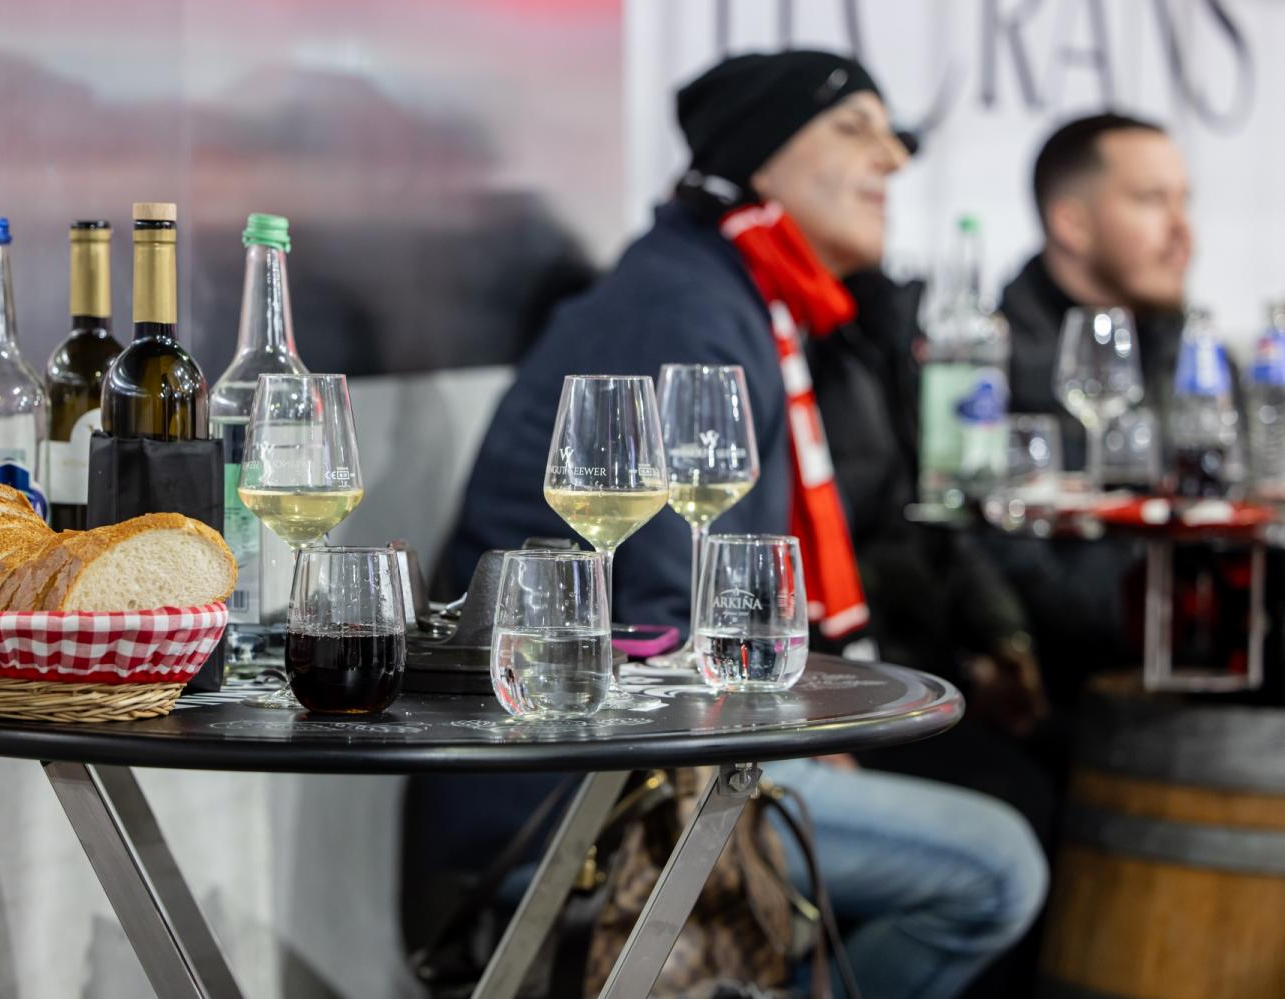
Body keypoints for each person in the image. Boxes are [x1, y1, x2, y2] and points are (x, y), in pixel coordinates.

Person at [435, 50, 1047, 999]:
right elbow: (650, 626)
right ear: (759, 157)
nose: (892, 158)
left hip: (625, 753)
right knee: (997, 865)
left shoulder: (730, 292)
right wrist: (801, 737)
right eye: (853, 129)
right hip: (572, 788)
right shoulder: (683, 310)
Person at [993, 114, 1194, 700]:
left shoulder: (1190, 356)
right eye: (1152, 200)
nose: (1183, 231)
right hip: (1057, 702)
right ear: (1072, 223)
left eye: (1185, 201)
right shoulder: (989, 371)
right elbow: (994, 564)